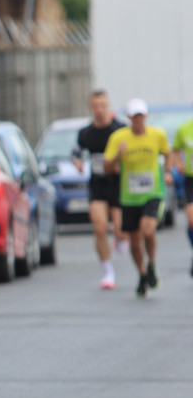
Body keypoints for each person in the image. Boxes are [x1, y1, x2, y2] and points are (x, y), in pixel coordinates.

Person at [104, 98, 172, 297]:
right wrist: (118, 156)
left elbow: (167, 153)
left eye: (141, 117)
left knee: (148, 229)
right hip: (130, 196)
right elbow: (107, 167)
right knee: (134, 241)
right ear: (129, 118)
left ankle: (152, 264)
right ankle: (142, 274)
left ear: (146, 117)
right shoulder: (119, 138)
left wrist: (167, 171)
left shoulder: (157, 135)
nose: (138, 121)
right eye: (135, 117)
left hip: (153, 192)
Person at [73, 89, 127, 289]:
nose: (99, 110)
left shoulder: (120, 129)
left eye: (103, 106)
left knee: (121, 231)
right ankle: (108, 272)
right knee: (99, 227)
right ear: (90, 108)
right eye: (95, 106)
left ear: (108, 106)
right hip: (97, 185)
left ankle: (120, 238)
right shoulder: (86, 133)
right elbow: (76, 152)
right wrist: (77, 162)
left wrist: (120, 164)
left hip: (118, 185)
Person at [167, 101, 193, 277]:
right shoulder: (185, 129)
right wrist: (171, 169)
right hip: (191, 180)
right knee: (191, 221)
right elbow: (175, 152)